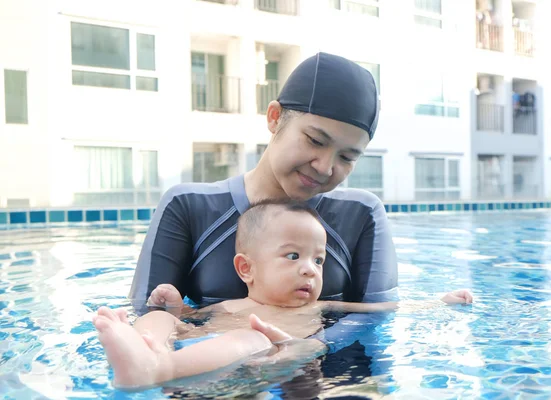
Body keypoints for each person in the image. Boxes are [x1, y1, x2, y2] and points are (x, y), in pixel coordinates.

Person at [129, 51, 401, 357]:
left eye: (347, 157)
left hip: (325, 381)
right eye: (315, 140)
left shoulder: (362, 213)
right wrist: (160, 357)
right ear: (274, 118)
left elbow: (379, 315)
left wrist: (312, 346)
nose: (325, 167)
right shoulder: (188, 205)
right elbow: (148, 314)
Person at [95, 200, 473, 389]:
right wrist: (174, 311)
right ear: (247, 269)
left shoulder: (323, 305)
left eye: (318, 260)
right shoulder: (226, 305)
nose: (310, 268)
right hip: (199, 345)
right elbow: (191, 322)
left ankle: (155, 370)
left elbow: (381, 309)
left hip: (247, 356)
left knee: (251, 336)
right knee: (162, 318)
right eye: (293, 256)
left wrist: (438, 302)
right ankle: (147, 346)